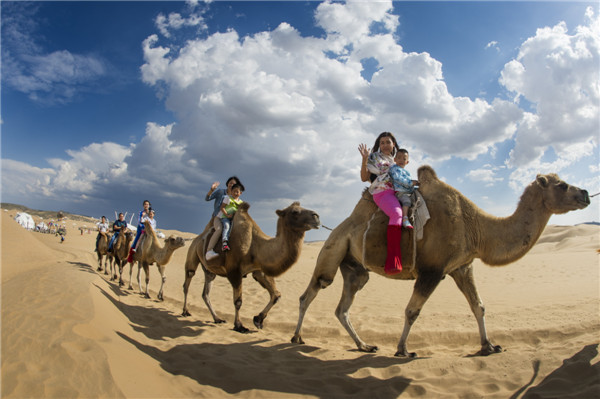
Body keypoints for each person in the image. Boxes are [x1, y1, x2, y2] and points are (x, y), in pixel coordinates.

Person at [358, 132, 404, 274]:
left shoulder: (396, 160)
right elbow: (364, 177)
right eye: (382, 142)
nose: (385, 145)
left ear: (393, 144)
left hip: (398, 192)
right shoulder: (374, 158)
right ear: (379, 145)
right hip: (382, 192)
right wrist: (365, 159)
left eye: (387, 142)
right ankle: (393, 259)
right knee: (397, 214)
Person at [204, 176, 242, 259]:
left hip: (230, 219)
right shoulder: (221, 192)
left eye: (234, 184)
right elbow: (207, 199)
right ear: (227, 184)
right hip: (218, 217)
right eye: (230, 182)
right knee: (219, 229)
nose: (232, 184)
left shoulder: (236, 198)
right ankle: (209, 251)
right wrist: (212, 190)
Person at [389, 149, 418, 229]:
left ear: (407, 162)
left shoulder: (406, 172)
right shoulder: (394, 169)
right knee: (407, 201)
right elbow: (399, 180)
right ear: (395, 159)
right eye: (399, 157)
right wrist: (411, 183)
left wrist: (415, 186)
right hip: (400, 192)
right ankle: (405, 219)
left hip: (407, 191)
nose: (401, 160)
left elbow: (409, 185)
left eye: (404, 159)